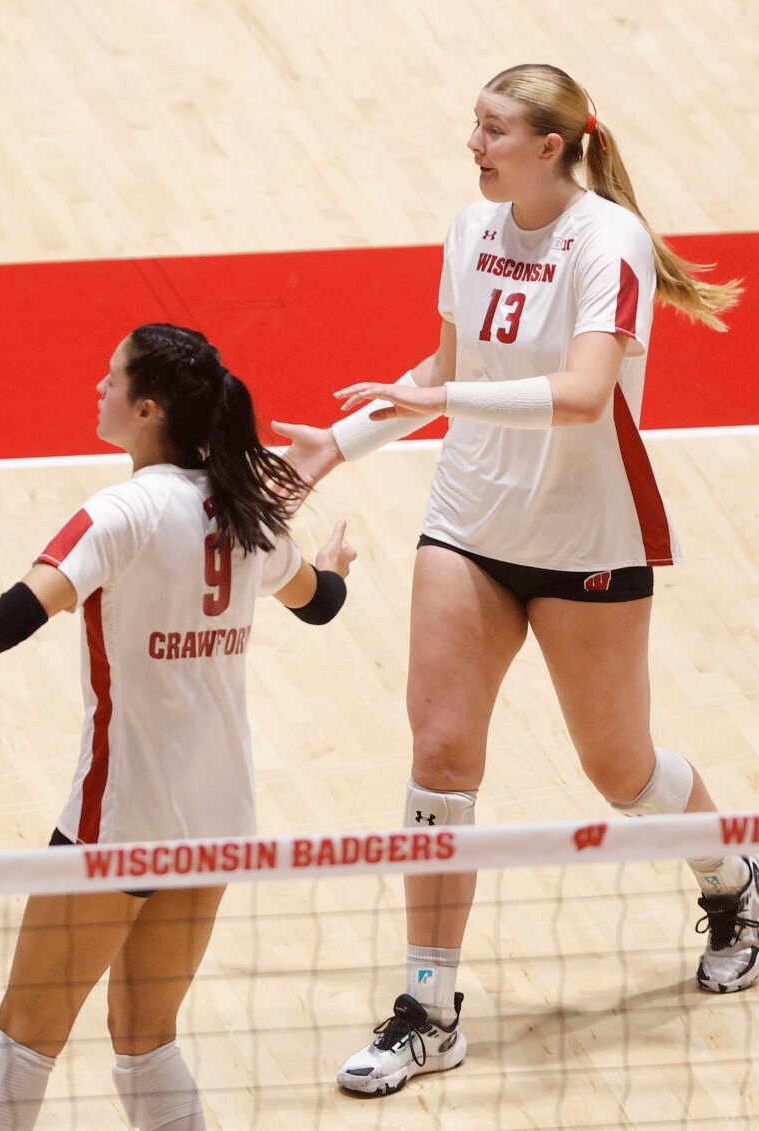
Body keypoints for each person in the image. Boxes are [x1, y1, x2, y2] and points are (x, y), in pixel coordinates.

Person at [270, 64, 753, 1097]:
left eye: (492, 130)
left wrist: (447, 394)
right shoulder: (468, 231)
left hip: (586, 541)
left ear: (551, 143)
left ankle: (733, 877)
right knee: (439, 756)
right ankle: (428, 1008)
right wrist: (337, 447)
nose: (473, 144)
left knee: (618, 771)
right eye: (472, 126)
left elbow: (582, 395)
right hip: (467, 527)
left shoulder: (605, 242)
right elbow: (444, 367)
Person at [0, 323, 356, 1130]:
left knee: (21, 1045)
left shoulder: (117, 513)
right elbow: (321, 603)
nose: (99, 386)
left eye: (112, 377)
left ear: (149, 409)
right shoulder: (246, 513)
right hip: (219, 818)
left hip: (120, 817)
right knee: (147, 1042)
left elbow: (18, 612)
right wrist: (334, 565)